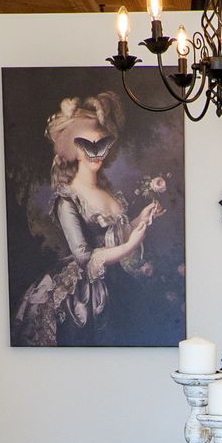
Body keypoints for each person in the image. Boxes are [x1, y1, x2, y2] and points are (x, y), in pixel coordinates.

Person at [13, 94, 162, 346]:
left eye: (102, 143)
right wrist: (130, 246)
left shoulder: (109, 193)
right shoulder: (67, 199)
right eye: (86, 145)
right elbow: (84, 257)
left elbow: (114, 237)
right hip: (85, 295)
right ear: (73, 149)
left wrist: (139, 220)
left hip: (117, 284)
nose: (96, 153)